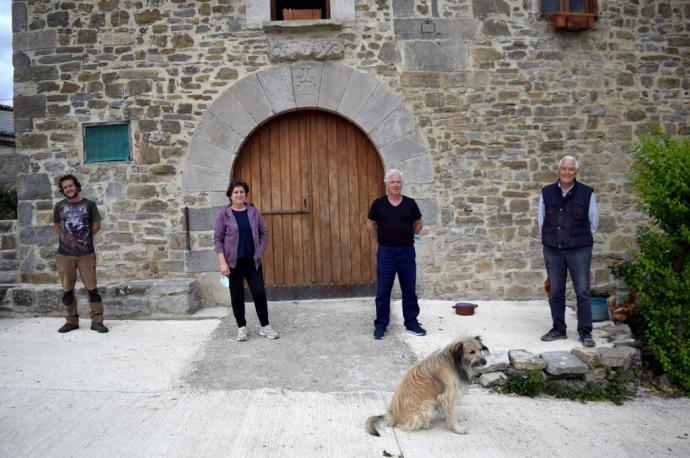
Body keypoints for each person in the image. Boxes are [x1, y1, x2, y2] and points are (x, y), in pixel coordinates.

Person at [538, 155, 599, 347]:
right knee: (556, 290)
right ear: (558, 171)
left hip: (579, 249)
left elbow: (593, 222)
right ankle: (558, 329)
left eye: (571, 169)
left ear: (576, 172)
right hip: (553, 249)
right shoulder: (546, 192)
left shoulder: (587, 193)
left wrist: (579, 240)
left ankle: (585, 332)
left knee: (582, 291)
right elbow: (541, 220)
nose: (567, 172)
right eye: (564, 169)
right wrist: (551, 239)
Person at [214, 179, 278, 341]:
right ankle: (241, 327)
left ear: (246, 194)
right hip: (233, 263)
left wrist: (260, 250)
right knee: (236, 296)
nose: (239, 195)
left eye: (242, 192)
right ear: (230, 195)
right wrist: (222, 261)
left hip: (252, 261)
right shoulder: (224, 214)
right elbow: (217, 239)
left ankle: (265, 326)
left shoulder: (253, 212)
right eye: (236, 192)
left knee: (259, 293)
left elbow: (264, 233)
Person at [367, 169, 426, 339]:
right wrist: (379, 239)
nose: (395, 185)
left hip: (406, 251)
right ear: (386, 184)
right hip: (386, 252)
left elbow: (419, 223)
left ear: (402, 184)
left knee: (409, 289)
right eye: (392, 182)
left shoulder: (410, 203)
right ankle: (381, 325)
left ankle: (411, 322)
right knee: (383, 291)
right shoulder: (378, 204)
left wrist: (412, 236)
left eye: (398, 182)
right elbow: (370, 225)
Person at [53, 174, 108, 333]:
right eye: (65, 187)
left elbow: (97, 225)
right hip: (64, 255)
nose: (68, 189)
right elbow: (57, 226)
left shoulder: (89, 205)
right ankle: (71, 321)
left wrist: (83, 240)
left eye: (70, 186)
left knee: (92, 289)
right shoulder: (59, 206)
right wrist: (69, 240)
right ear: (63, 190)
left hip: (86, 254)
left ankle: (97, 321)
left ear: (76, 186)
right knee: (67, 289)